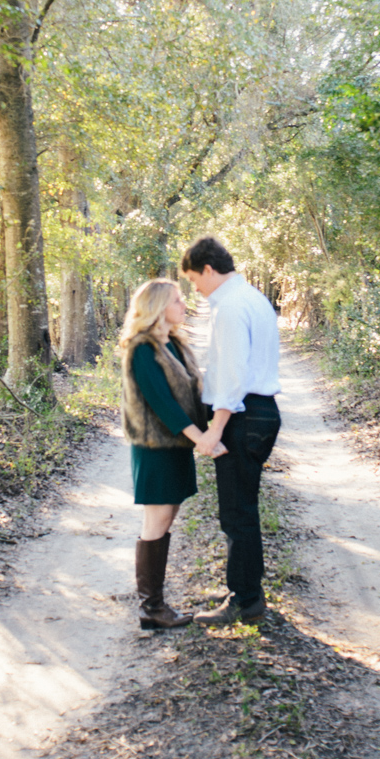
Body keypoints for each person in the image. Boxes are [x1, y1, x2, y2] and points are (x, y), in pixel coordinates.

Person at [180, 236, 281, 627]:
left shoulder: (231, 307)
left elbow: (234, 375)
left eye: (194, 280)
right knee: (242, 509)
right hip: (259, 412)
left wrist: (215, 430)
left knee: (237, 513)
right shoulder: (252, 298)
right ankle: (245, 590)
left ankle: (246, 600)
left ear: (208, 269)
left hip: (243, 416)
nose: (196, 289)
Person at [118, 278, 225, 631]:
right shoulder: (142, 349)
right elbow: (163, 404)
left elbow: (194, 396)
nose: (184, 304)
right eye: (177, 300)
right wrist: (203, 440)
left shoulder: (176, 344)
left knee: (169, 513)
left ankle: (156, 603)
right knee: (157, 519)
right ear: (159, 307)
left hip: (176, 446)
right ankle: (151, 607)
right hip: (155, 449)